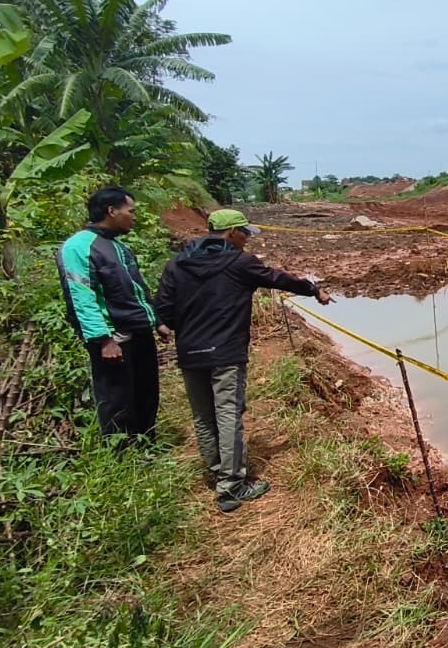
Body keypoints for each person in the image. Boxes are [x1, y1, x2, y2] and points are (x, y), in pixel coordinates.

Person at [155, 208, 331, 513]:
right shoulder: (239, 262)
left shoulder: (177, 264)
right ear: (232, 232)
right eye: (245, 232)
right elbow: (279, 279)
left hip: (190, 353)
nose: (248, 238)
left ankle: (217, 471)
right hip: (225, 352)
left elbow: (163, 308)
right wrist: (313, 289)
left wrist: (164, 325)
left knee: (203, 415)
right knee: (227, 414)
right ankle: (232, 486)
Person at [56, 186, 171, 444]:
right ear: (112, 210)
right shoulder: (79, 247)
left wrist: (157, 321)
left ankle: (145, 444)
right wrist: (104, 339)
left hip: (139, 330)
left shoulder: (118, 247)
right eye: (131, 211)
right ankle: (122, 452)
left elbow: (138, 288)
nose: (135, 217)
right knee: (117, 397)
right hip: (114, 337)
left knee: (146, 391)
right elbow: (81, 296)